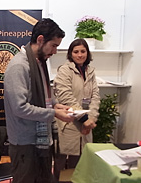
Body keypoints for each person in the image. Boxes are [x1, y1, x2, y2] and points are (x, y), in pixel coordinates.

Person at [4, 18, 75, 183]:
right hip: (25, 144)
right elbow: (20, 108)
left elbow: (44, 94)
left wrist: (56, 104)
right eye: (54, 45)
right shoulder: (19, 66)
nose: (55, 51)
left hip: (40, 141)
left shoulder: (39, 63)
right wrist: (54, 113)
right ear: (41, 39)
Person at [52, 38, 100, 181]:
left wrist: (91, 119)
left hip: (86, 125)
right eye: (76, 52)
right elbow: (66, 97)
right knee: (62, 165)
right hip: (69, 123)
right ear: (70, 54)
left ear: (87, 52)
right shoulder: (65, 70)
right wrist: (84, 119)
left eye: (83, 51)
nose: (80, 55)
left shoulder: (90, 71)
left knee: (80, 164)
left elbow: (95, 97)